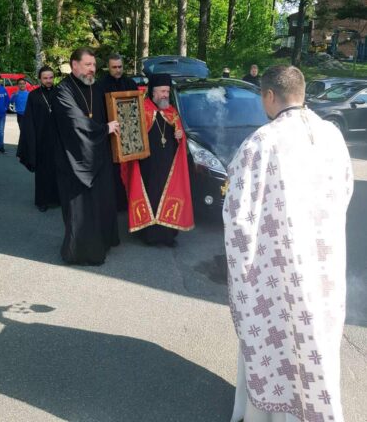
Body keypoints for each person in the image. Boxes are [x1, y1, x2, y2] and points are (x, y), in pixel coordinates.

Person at [223, 65, 353, 422]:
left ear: (269, 96)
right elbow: (345, 190)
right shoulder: (331, 134)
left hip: (277, 263)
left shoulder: (262, 142)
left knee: (275, 338)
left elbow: (237, 212)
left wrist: (245, 264)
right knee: (317, 335)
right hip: (323, 260)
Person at [52, 48, 120, 265]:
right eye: (88, 65)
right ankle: (82, 252)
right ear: (74, 65)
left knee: (103, 201)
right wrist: (104, 129)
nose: (92, 69)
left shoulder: (96, 88)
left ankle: (104, 241)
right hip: (75, 161)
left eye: (94, 65)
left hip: (101, 156)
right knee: (82, 210)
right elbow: (75, 122)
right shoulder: (63, 91)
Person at [121, 73, 194, 246]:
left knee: (167, 195)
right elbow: (131, 136)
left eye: (167, 92)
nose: (165, 95)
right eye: (162, 91)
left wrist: (179, 136)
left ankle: (168, 235)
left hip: (168, 165)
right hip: (148, 164)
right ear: (153, 92)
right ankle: (149, 235)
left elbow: (179, 138)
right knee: (151, 197)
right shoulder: (142, 109)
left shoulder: (172, 111)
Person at [98, 53, 138, 211]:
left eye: (120, 67)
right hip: (109, 134)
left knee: (129, 168)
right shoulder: (100, 85)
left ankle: (129, 200)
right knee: (112, 171)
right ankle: (114, 203)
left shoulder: (130, 83)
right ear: (108, 67)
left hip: (129, 133)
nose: (117, 70)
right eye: (114, 67)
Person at [17, 66, 60, 213]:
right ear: (40, 79)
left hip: (58, 140)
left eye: (51, 77)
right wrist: (30, 141)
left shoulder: (60, 93)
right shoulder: (33, 95)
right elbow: (28, 120)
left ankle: (57, 199)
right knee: (42, 173)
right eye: (45, 78)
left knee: (57, 170)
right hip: (41, 140)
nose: (48, 80)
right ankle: (43, 201)